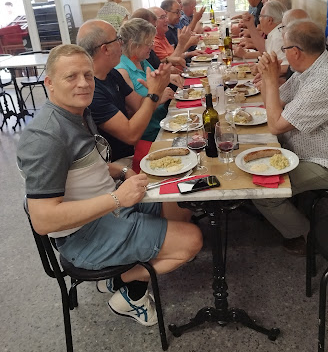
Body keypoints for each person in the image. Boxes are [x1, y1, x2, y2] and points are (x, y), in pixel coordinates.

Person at [17, 44, 202, 326]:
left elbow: (82, 166)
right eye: (71, 77)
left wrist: (121, 171)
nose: (83, 84)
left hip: (107, 209)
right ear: (49, 84)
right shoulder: (45, 138)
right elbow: (43, 220)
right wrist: (117, 199)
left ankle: (120, 277)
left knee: (178, 202)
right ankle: (125, 288)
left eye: (88, 76)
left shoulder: (77, 113)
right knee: (192, 240)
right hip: (82, 237)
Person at [253, 20, 328, 255]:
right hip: (312, 151)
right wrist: (268, 78)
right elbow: (273, 103)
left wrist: (270, 79)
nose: (283, 54)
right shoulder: (311, 68)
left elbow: (275, 125)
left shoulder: (324, 81)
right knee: (259, 164)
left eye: (284, 48)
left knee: (263, 192)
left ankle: (309, 237)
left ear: (295, 52)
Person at [76, 19, 171, 165]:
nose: (122, 43)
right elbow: (131, 135)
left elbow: (139, 106)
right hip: (117, 164)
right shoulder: (91, 91)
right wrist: (154, 93)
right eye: (117, 39)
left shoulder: (112, 74)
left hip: (132, 153)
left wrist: (156, 89)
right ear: (105, 49)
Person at [116, 18, 174, 141]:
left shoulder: (142, 61)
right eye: (148, 43)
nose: (152, 47)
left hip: (164, 123)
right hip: (150, 135)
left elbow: (156, 84)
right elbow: (131, 113)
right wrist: (159, 98)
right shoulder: (122, 71)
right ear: (133, 44)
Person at [234, 0, 288, 66]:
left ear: (269, 20)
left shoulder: (279, 37)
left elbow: (284, 67)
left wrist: (259, 69)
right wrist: (250, 26)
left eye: (261, 16)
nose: (259, 19)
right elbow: (264, 49)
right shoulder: (275, 32)